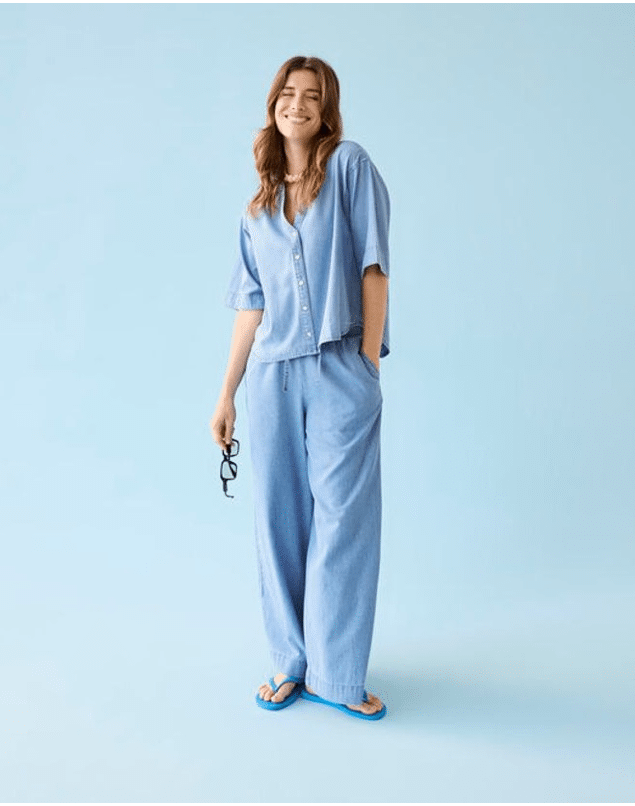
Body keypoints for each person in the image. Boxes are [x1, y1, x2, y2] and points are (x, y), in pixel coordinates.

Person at [210, 55, 390, 720]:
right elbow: (250, 308)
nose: (298, 104)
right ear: (273, 104)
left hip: (341, 367)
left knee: (344, 523)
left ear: (326, 110)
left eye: (313, 96)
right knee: (279, 519)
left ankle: (337, 676)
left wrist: (367, 364)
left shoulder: (351, 168)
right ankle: (290, 662)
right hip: (272, 378)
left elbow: (374, 267)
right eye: (288, 92)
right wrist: (226, 395)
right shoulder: (257, 206)